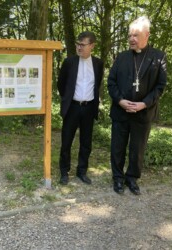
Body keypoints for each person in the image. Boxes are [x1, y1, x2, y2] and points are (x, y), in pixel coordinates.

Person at [107, 16, 167, 195]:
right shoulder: (122, 57)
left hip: (142, 113)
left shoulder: (159, 57)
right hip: (121, 111)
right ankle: (118, 178)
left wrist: (144, 104)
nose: (131, 39)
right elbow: (111, 82)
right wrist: (120, 101)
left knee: (137, 149)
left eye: (136, 35)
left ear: (147, 35)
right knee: (117, 147)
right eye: (129, 35)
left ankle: (131, 178)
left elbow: (160, 86)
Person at [57, 31, 104, 185]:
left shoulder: (98, 64)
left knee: (86, 142)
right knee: (66, 141)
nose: (79, 47)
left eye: (82, 45)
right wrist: (68, 99)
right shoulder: (69, 62)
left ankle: (81, 172)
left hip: (89, 108)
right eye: (78, 44)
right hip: (72, 107)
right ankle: (64, 172)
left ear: (92, 46)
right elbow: (61, 85)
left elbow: (97, 85)